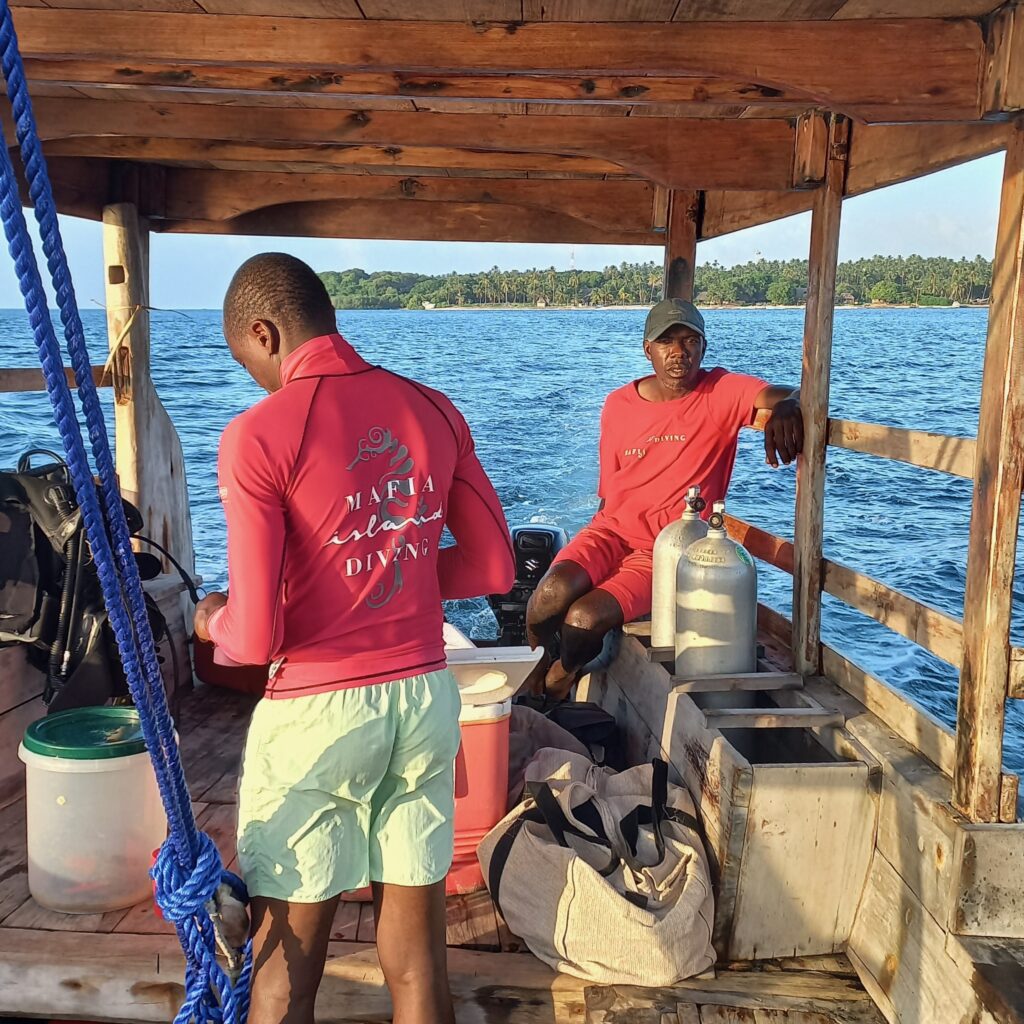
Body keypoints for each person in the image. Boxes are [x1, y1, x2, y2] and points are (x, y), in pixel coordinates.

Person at [193, 253, 515, 1024]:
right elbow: (494, 563)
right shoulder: (432, 408)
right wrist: (385, 583)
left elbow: (254, 635)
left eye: (253, 366)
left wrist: (211, 620)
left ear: (264, 333)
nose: (258, 386)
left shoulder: (256, 436)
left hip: (317, 716)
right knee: (418, 968)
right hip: (423, 702)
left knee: (282, 978)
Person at [525, 297, 803, 699]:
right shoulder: (618, 403)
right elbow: (610, 489)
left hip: (667, 549)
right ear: (647, 349)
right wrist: (596, 551)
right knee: (547, 597)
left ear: (704, 348)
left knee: (585, 618)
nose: (679, 353)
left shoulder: (720, 391)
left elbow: (784, 390)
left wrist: (789, 405)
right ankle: (532, 662)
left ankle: (560, 676)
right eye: (667, 341)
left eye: (690, 341)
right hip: (610, 531)